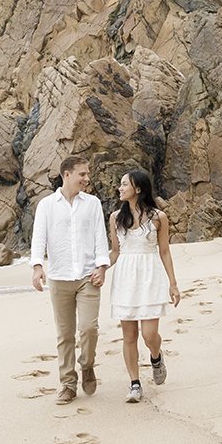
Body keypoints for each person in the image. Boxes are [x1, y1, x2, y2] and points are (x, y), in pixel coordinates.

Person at [30, 155, 109, 405]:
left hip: (88, 276)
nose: (87, 178)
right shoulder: (46, 205)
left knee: (89, 328)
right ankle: (67, 384)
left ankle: (87, 365)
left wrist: (102, 267)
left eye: (87, 174)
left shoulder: (93, 203)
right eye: (82, 174)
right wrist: (37, 266)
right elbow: (39, 237)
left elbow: (100, 236)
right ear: (67, 174)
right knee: (65, 335)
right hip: (59, 277)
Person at [107, 168, 181, 403]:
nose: (120, 188)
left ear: (138, 189)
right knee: (129, 335)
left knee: (149, 335)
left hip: (150, 276)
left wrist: (173, 284)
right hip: (125, 277)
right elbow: (115, 252)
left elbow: (165, 251)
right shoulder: (115, 217)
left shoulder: (158, 217)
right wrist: (98, 270)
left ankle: (156, 356)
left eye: (124, 184)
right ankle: (135, 383)